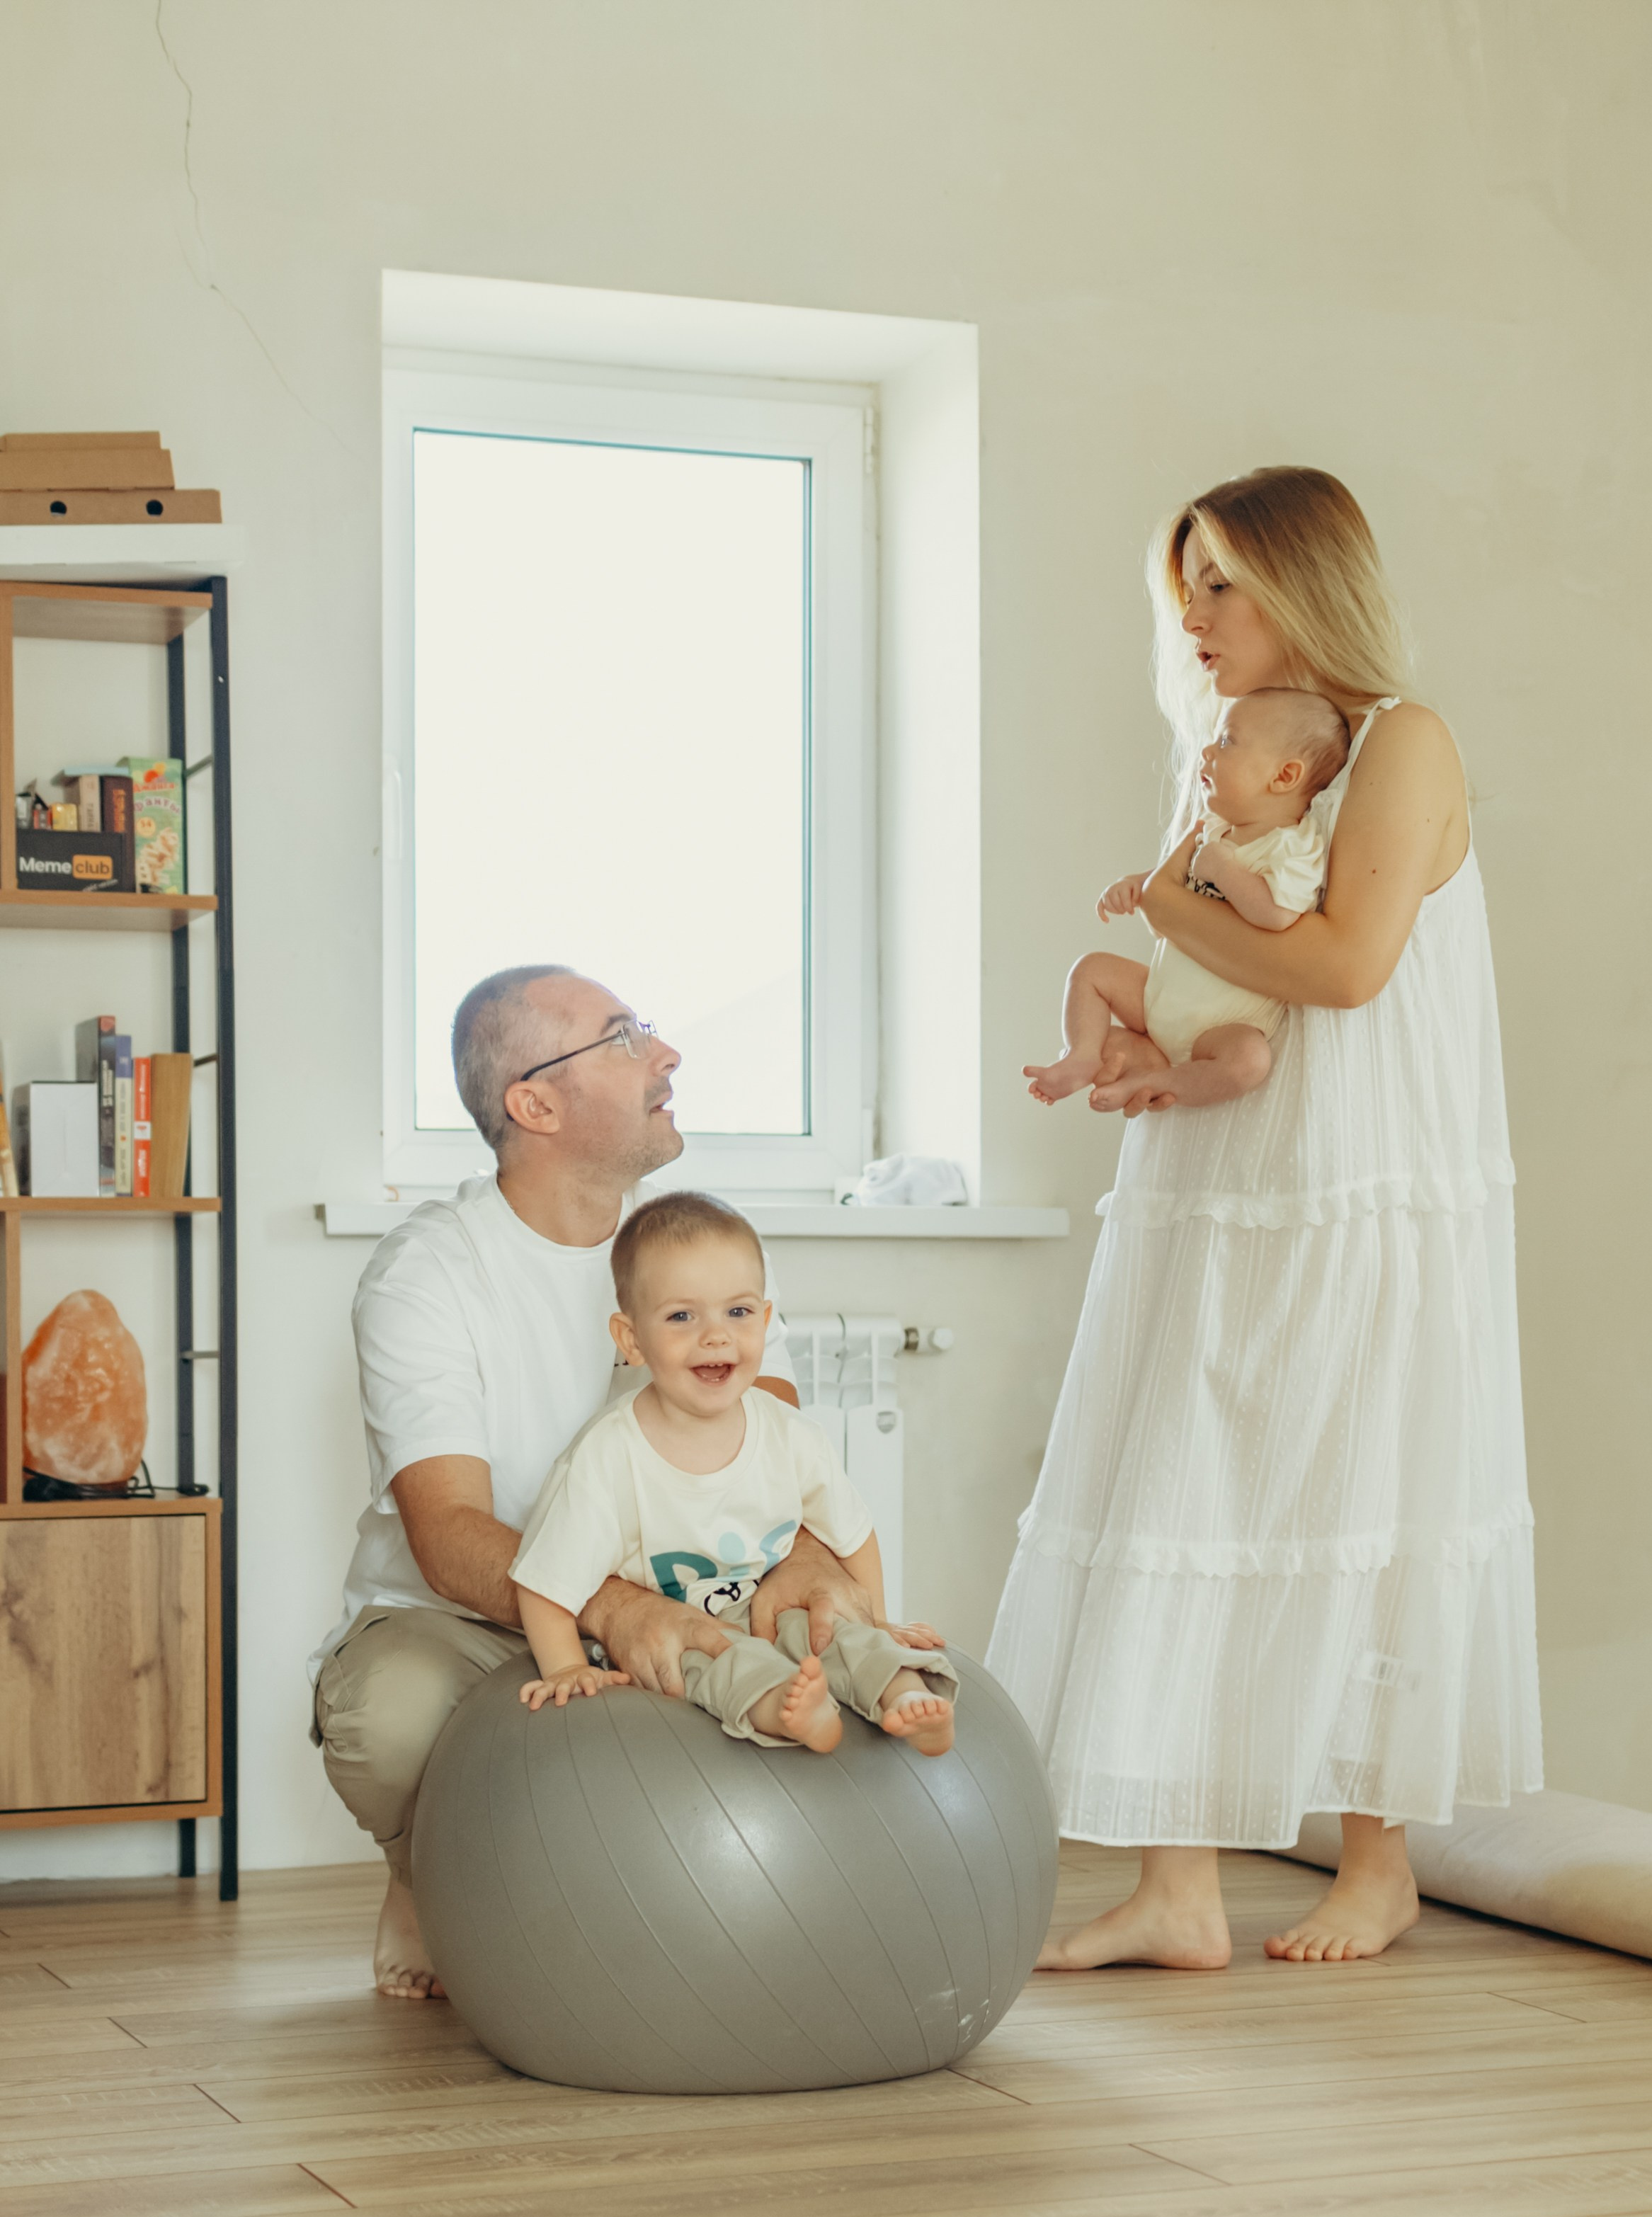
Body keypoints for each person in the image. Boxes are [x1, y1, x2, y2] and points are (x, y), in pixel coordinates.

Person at [989, 465, 1541, 1969]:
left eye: (1221, 579)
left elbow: (1350, 967)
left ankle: (1381, 1861)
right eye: (1187, 583)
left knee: (1368, 1493)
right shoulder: (1223, 755)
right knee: (1183, 1481)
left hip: (1366, 1181)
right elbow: (1230, 971)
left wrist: (1164, 909)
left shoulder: (1399, 743)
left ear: (1306, 581)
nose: (1194, 612)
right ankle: (1179, 1886)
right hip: (1222, 1169)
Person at [311, 965, 881, 1998]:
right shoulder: (428, 1274)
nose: (665, 1056)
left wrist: (805, 1559)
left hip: (680, 1581)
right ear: (534, 1103)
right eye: (624, 1038)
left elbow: (778, 1443)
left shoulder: (685, 1243)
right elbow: (446, 1533)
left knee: (827, 1658)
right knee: (387, 1719)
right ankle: (423, 1871)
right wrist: (612, 1610)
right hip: (462, 1613)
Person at [511, 1190, 958, 1755]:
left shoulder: (790, 1435)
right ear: (631, 1340)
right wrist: (566, 1668)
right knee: (715, 1662)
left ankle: (903, 1693)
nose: (716, 1335)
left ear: (764, 1322)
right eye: (681, 1316)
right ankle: (785, 1711)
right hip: (684, 1625)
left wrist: (877, 1621)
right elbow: (546, 1582)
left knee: (835, 1632)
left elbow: (853, 1533)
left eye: (738, 1312)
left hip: (774, 1604)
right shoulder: (606, 1456)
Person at [1024, 687, 1349, 1108]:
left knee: (1250, 1060)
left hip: (1223, 1026)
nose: (1208, 751)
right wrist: (1138, 885)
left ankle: (1162, 1080)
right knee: (1090, 971)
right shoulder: (1211, 829)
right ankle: (1083, 1055)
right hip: (1160, 993)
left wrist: (1224, 870)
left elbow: (1278, 914)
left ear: (1284, 776)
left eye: (1227, 741)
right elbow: (1172, 889)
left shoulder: (1293, 847)